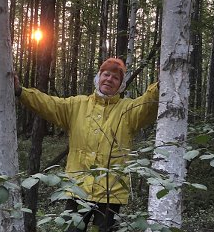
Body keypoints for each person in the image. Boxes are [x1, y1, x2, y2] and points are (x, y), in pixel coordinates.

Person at [14, 58, 159, 231]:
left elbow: (147, 105)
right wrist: (20, 91)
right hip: (78, 188)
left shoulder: (127, 110)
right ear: (99, 77)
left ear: (120, 85)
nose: (109, 79)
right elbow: (48, 104)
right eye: (106, 74)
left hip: (110, 192)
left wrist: (160, 85)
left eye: (115, 78)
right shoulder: (77, 105)